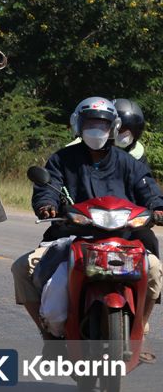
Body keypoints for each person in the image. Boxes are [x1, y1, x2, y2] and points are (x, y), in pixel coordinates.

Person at [11, 97, 163, 346]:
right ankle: (49, 335)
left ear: (113, 127)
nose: (97, 129)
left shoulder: (128, 163)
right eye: (91, 123)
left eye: (102, 124)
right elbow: (48, 187)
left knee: (155, 269)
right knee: (21, 269)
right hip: (73, 235)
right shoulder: (61, 159)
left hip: (124, 237)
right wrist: (46, 206)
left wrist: (158, 208)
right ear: (78, 125)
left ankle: (139, 329)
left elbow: (148, 190)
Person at [113, 98, 148, 165]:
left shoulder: (138, 154)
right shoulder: (94, 150)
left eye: (133, 130)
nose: (127, 133)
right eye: (122, 128)